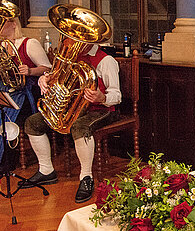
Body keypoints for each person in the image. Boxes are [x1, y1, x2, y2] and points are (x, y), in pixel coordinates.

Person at [20, 43, 121, 203]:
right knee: (33, 123)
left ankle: (86, 177)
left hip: (101, 110)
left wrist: (102, 98)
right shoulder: (70, 59)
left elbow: (116, 95)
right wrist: (44, 79)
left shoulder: (106, 60)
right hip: (73, 108)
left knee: (79, 127)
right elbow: (55, 78)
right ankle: (46, 170)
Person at [0, 16, 51, 171]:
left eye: (3, 21)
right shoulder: (1, 45)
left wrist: (30, 71)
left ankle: (6, 161)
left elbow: (48, 68)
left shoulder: (29, 43)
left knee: (6, 116)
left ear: (14, 24)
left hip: (26, 94)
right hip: (5, 90)